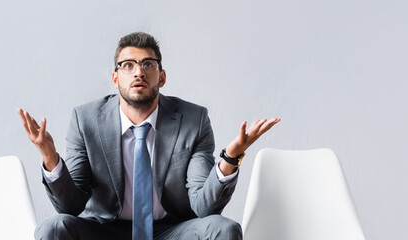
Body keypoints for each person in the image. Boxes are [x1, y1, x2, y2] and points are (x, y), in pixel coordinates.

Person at [17, 32, 280, 240]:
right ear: (115, 77)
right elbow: (70, 207)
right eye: (128, 65)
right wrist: (50, 157)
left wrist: (230, 157)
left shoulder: (193, 119)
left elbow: (204, 208)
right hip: (104, 229)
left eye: (148, 64)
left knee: (223, 229)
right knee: (53, 228)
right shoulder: (85, 120)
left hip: (170, 230)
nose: (138, 72)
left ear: (161, 76)